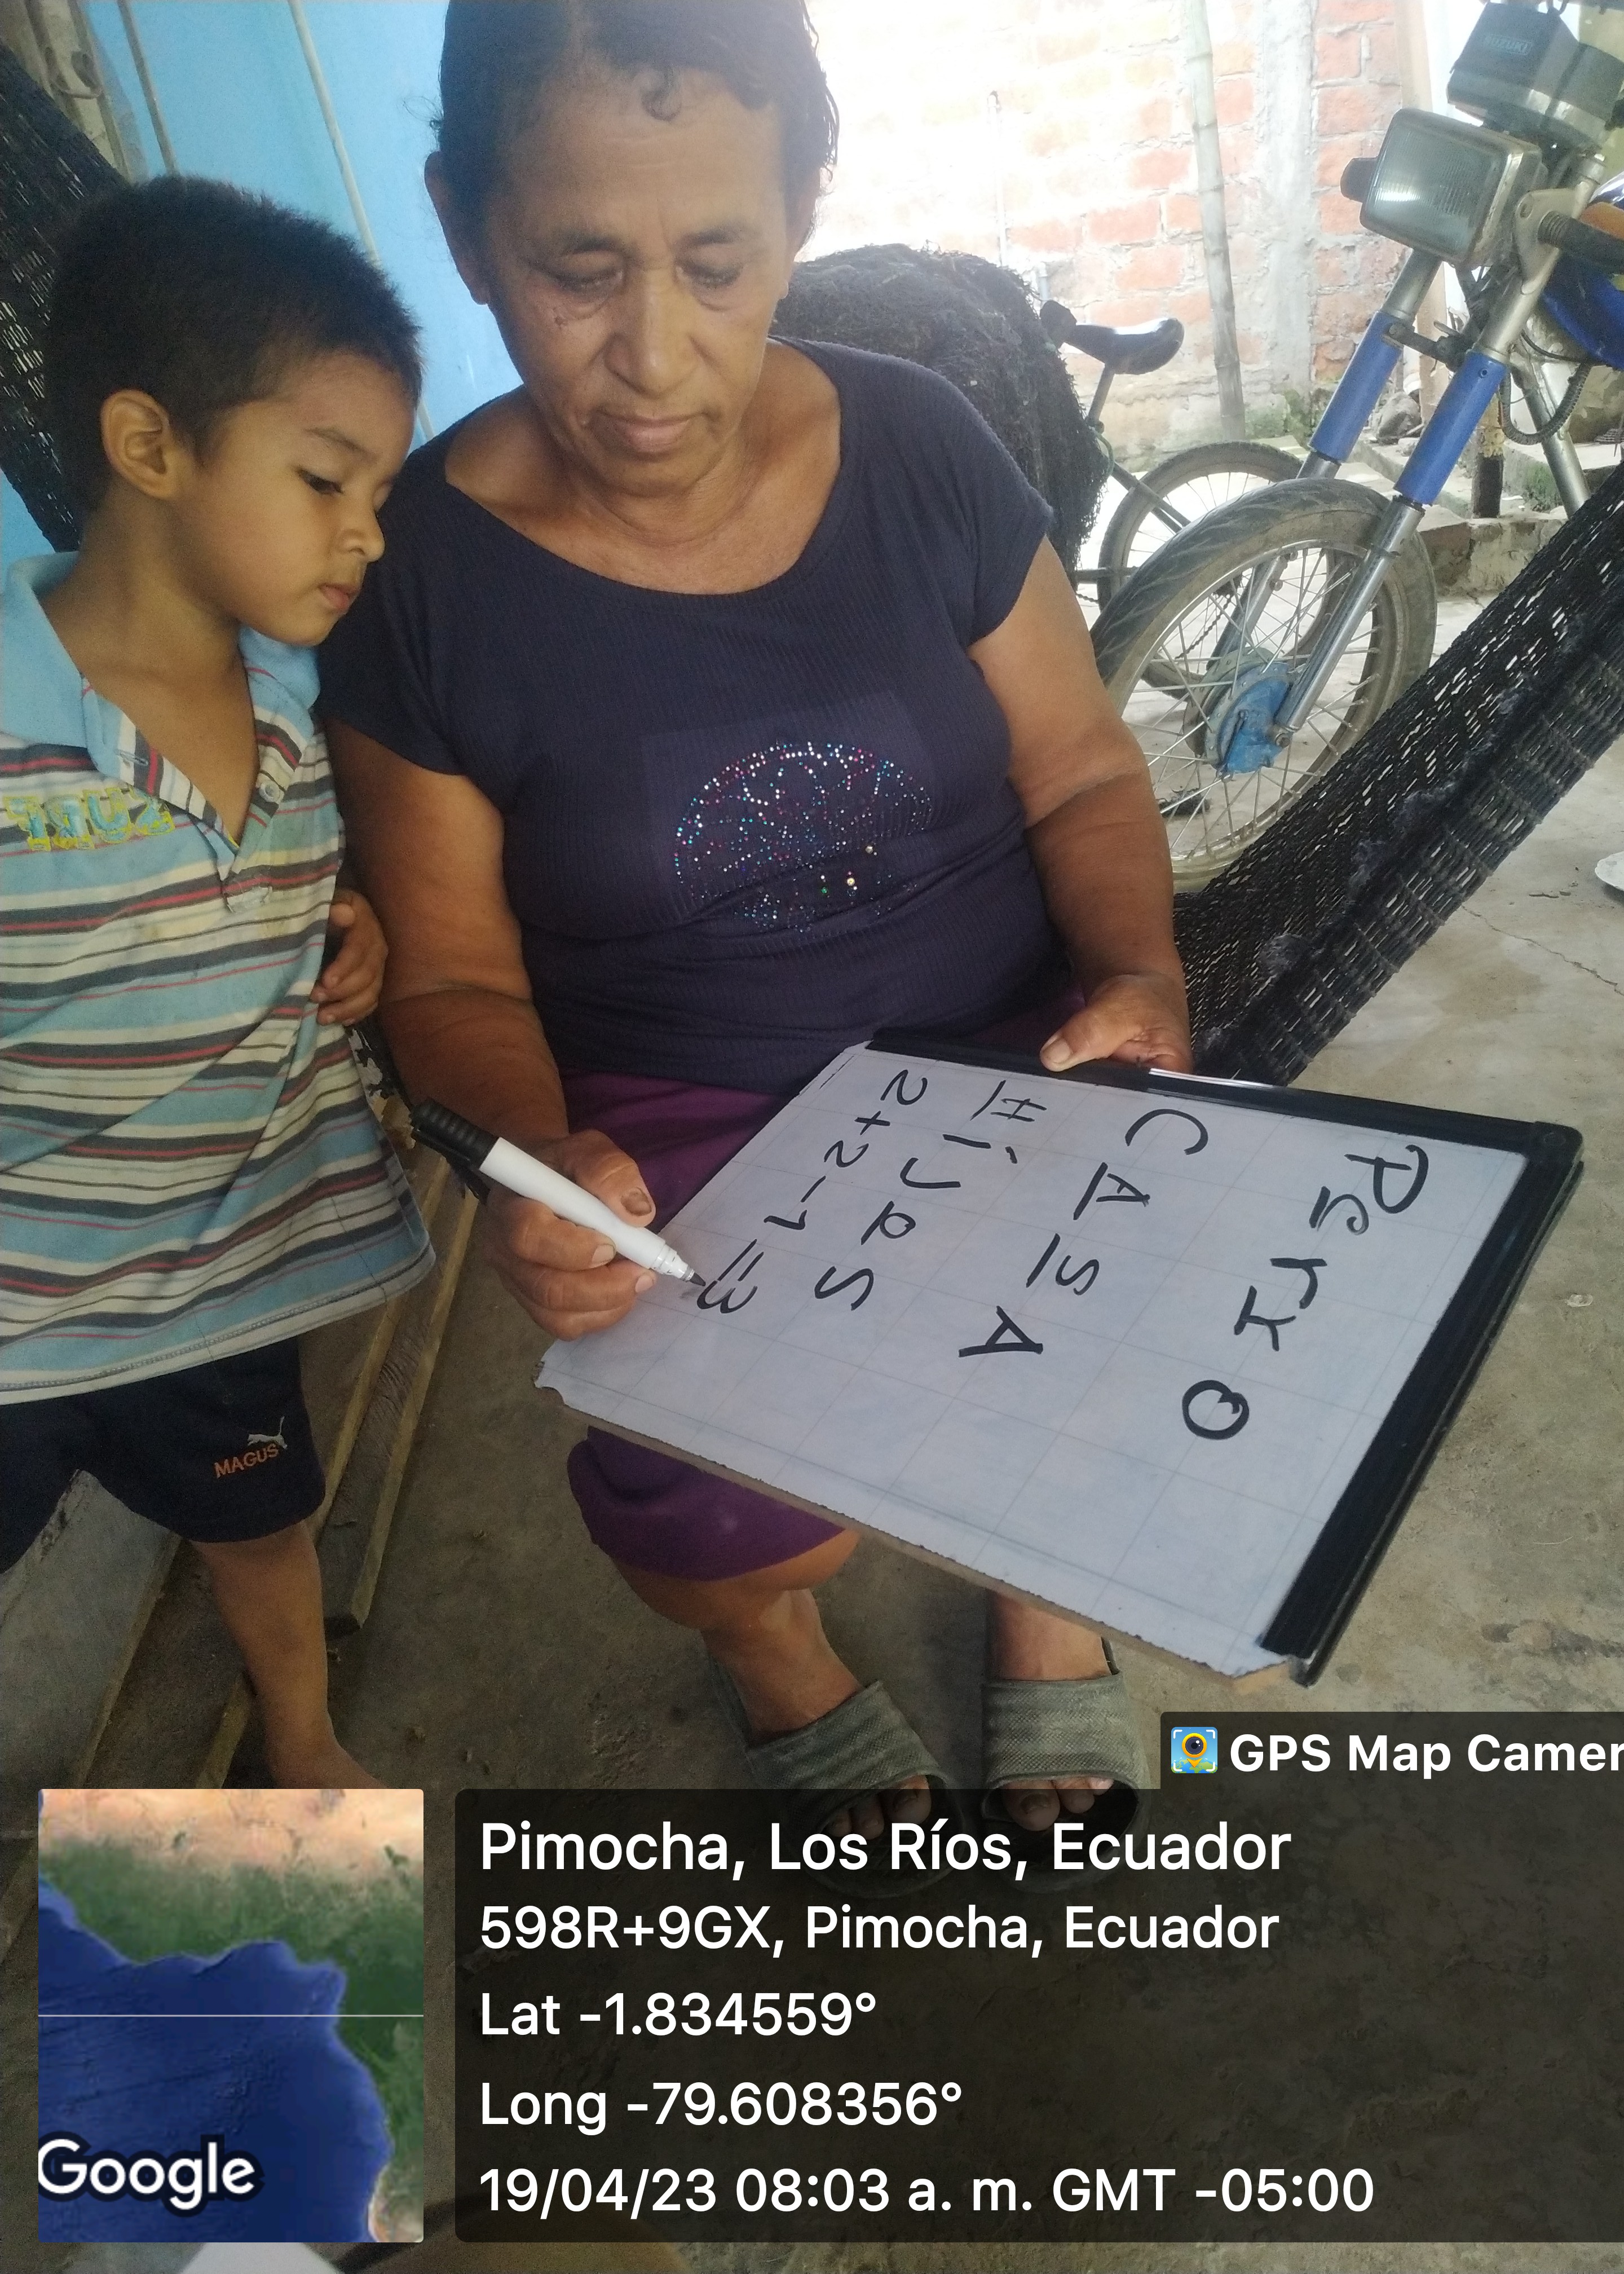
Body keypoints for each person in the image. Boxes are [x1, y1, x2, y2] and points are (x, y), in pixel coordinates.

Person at [321, 0, 1191, 1839]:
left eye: (717, 265)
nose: (652, 357)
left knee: (1125, 1361)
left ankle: (1040, 1596)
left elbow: (1081, 776)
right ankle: (771, 1649)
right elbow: (454, 974)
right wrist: (539, 1166)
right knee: (725, 1517)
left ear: (804, 212)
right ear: (463, 224)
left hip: (1017, 1052)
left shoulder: (923, 446)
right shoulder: (419, 585)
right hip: (681, 1123)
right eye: (576, 270)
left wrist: (1138, 973)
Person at [1, 178, 434, 1787]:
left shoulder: (296, 698)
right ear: (149, 445)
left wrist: (349, 916)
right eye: (325, 477)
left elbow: (265, 886)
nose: (366, 530)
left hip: (220, 1274)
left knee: (262, 1518)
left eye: (378, 490)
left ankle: (300, 1748)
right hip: (16, 1302)